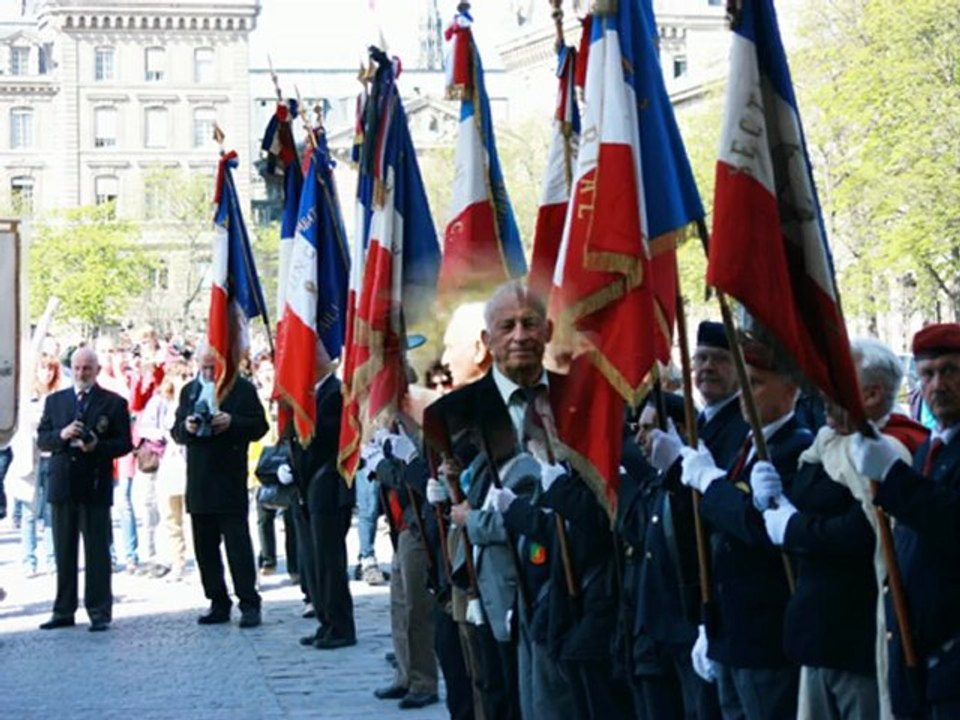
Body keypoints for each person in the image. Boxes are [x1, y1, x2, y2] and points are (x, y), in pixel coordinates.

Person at [757, 338, 927, 720]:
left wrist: (795, 527)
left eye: (834, 386)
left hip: (860, 638)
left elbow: (863, 533)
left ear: (871, 394)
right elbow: (807, 493)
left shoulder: (891, 448)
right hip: (816, 634)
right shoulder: (826, 441)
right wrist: (777, 501)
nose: (821, 396)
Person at [680, 338, 813, 720]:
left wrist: (711, 482)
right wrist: (711, 625)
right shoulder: (748, 445)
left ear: (790, 389)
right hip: (731, 630)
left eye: (755, 383)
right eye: (744, 382)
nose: (744, 395)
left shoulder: (795, 448)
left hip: (765, 635)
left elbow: (757, 529)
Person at [853, 323, 960, 718]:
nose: (938, 385)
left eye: (950, 371)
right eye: (927, 374)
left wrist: (895, 479)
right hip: (919, 659)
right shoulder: (929, 451)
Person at [37, 347, 133, 632]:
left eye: (87, 369)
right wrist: (62, 435)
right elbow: (43, 439)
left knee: (97, 551)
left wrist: (96, 446)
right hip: (63, 483)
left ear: (97, 370)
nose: (81, 374)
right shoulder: (55, 401)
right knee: (64, 551)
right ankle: (63, 610)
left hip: (94, 484)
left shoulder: (113, 403)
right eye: (77, 368)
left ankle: (99, 610)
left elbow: (124, 444)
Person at [172, 345, 268, 628]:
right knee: (205, 547)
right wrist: (187, 428)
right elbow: (176, 430)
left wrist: (233, 423)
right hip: (199, 480)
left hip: (229, 478)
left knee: (237, 545)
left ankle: (249, 602)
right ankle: (217, 600)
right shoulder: (189, 390)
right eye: (203, 367)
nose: (208, 373)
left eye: (212, 368)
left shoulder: (241, 389)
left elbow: (259, 426)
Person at [287, 350, 356, 650]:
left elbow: (326, 440)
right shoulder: (310, 394)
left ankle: (341, 626)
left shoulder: (334, 394)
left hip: (327, 485)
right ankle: (325, 621)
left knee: (330, 562)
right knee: (313, 561)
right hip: (307, 487)